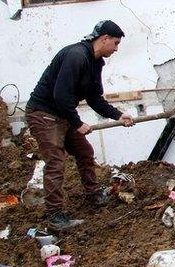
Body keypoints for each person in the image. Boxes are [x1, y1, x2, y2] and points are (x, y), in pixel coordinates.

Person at [25, 20, 136, 230]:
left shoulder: (95, 63)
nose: (116, 49)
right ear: (103, 39)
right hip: (44, 114)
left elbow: (95, 99)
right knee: (56, 162)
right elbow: (60, 94)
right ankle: (54, 215)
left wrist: (118, 115)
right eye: (115, 43)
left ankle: (93, 195)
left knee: (84, 151)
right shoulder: (76, 56)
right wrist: (77, 123)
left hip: (62, 114)